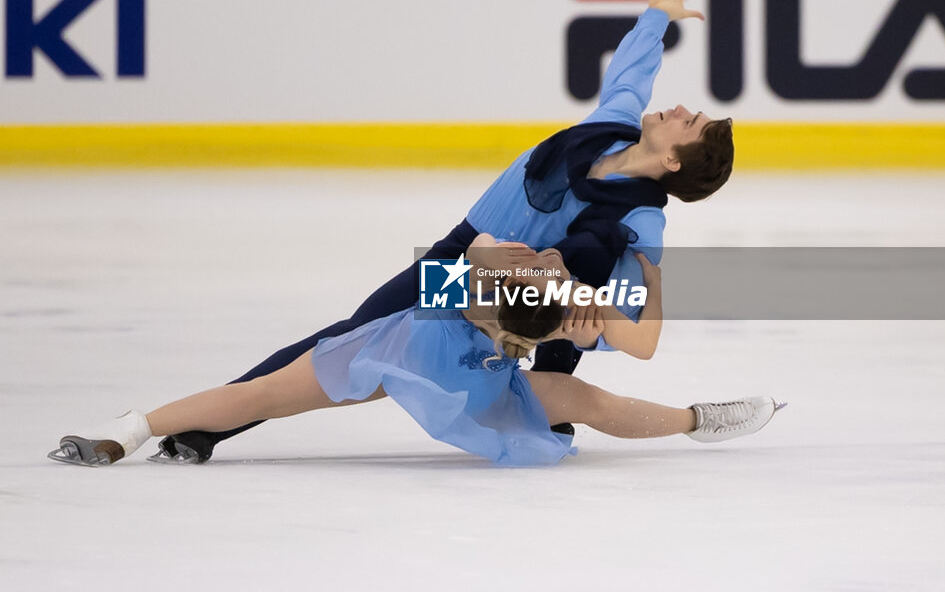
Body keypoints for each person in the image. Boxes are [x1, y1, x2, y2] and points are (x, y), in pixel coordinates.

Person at [155, 0, 735, 464]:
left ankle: (543, 415)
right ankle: (216, 418)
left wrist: (587, 333)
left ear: (676, 163)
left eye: (691, 123)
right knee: (346, 339)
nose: (680, 109)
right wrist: (656, 16)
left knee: (559, 334)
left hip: (532, 289)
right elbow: (630, 73)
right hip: (463, 259)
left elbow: (626, 312)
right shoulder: (608, 125)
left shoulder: (645, 220)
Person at [49, 235, 781, 468]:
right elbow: (621, 336)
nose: (555, 257)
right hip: (463, 375)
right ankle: (697, 419)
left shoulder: (496, 276)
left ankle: (129, 430)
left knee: (259, 395)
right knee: (584, 401)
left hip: (410, 349)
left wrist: (547, 279)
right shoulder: (553, 304)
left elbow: (479, 257)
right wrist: (640, 280)